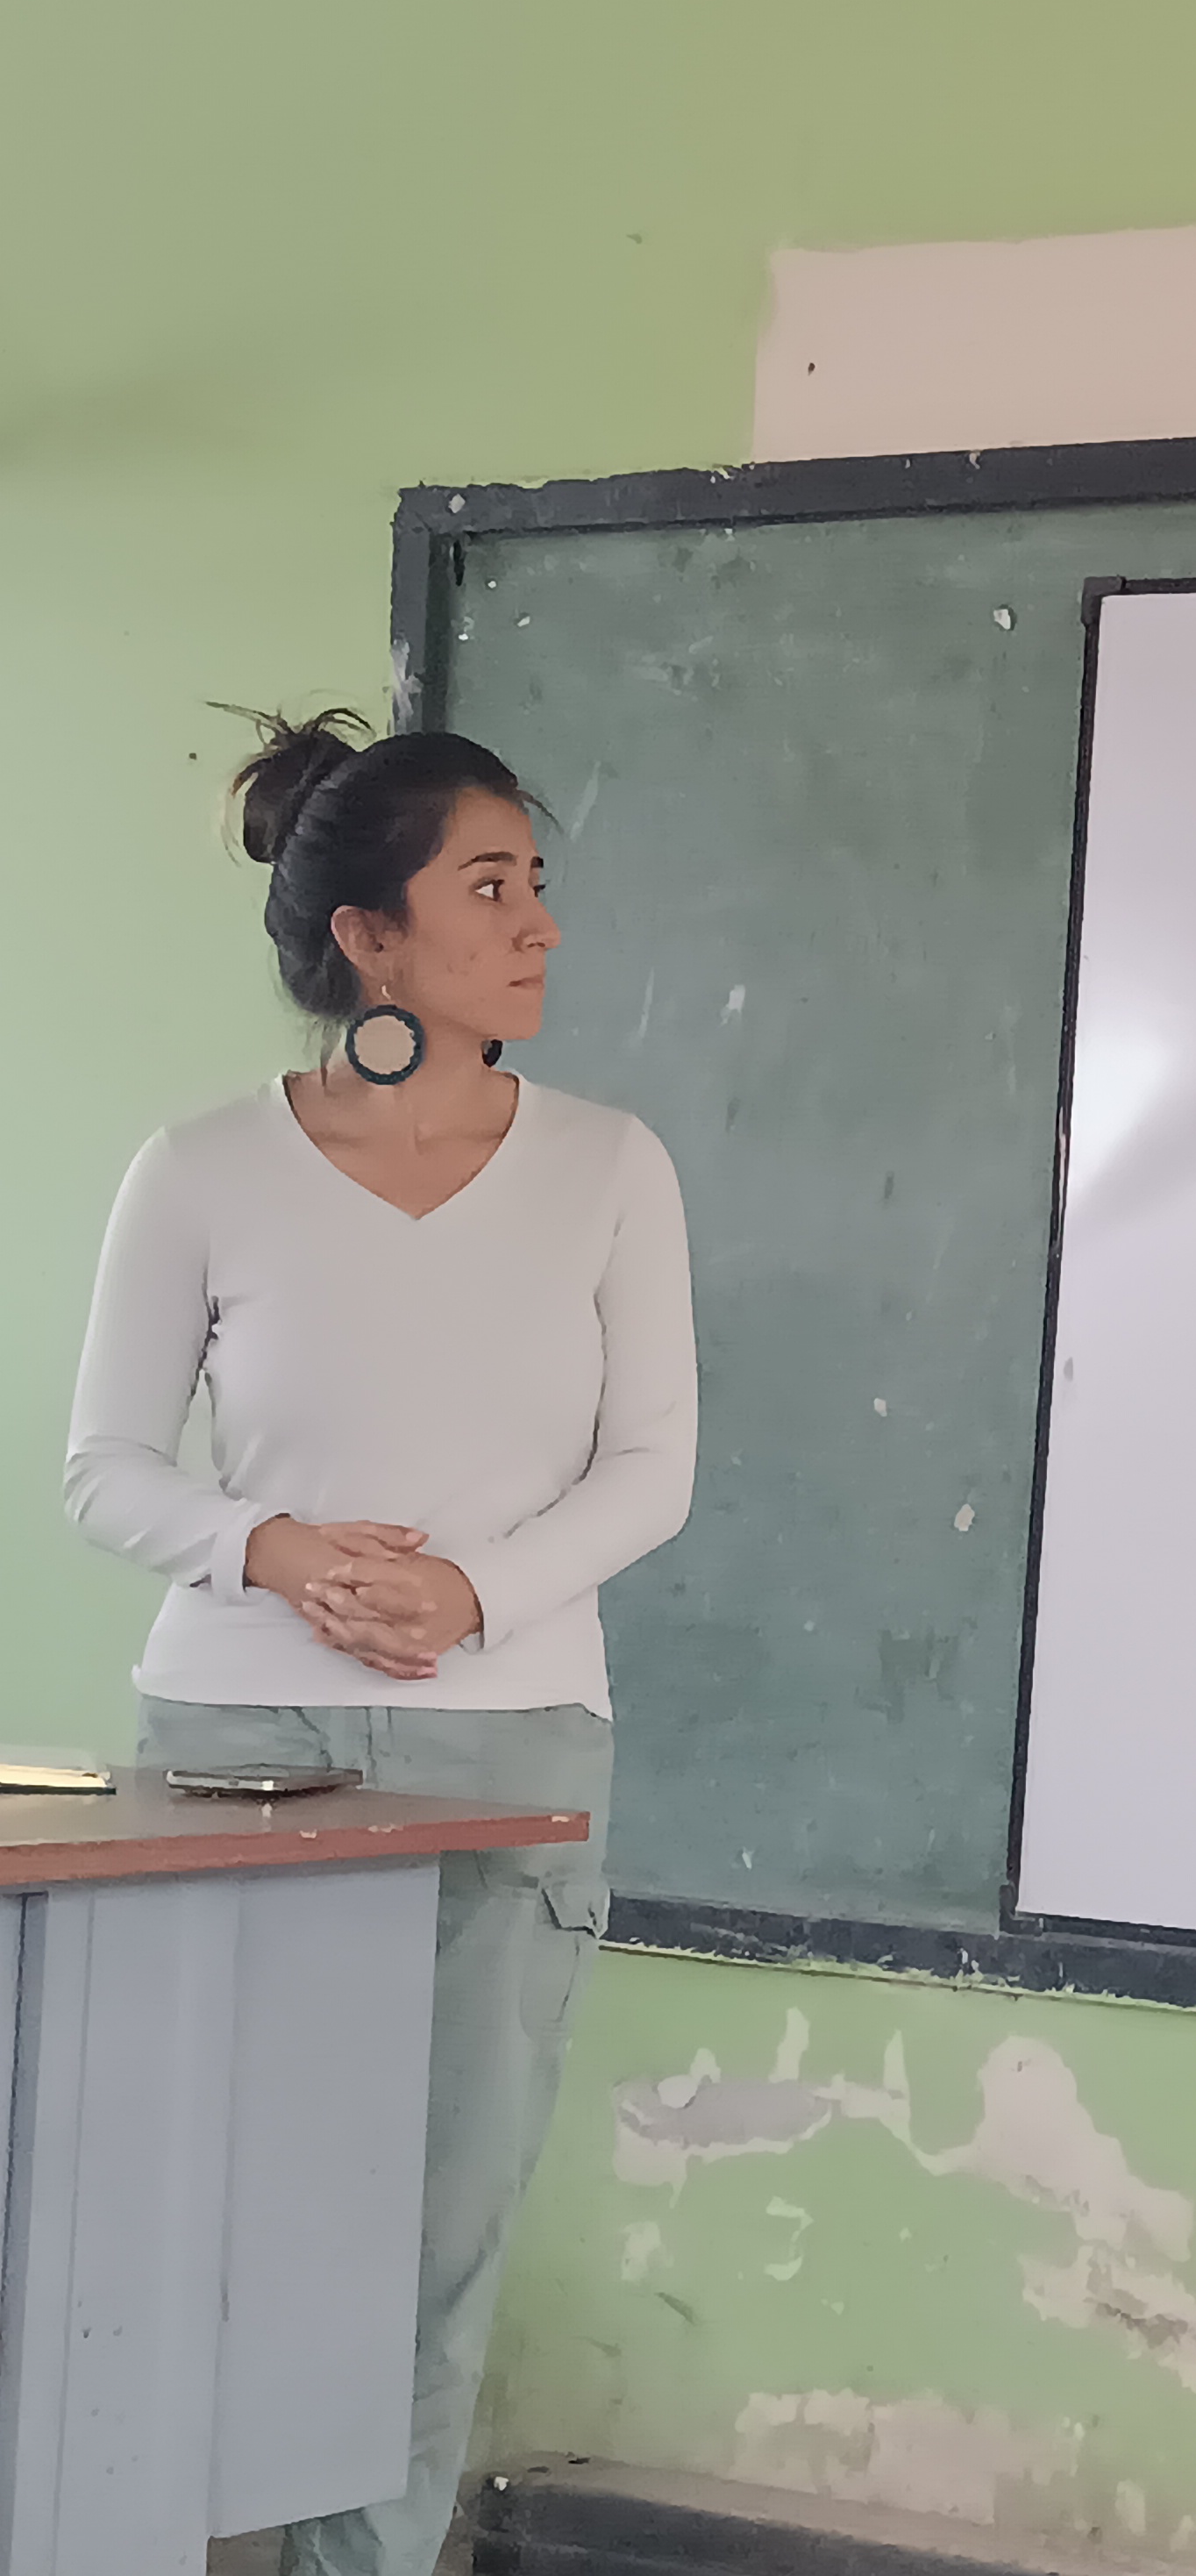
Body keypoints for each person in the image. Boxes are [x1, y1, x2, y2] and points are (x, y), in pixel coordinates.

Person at [63, 710, 695, 2576]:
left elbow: (653, 1469)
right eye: (489, 888)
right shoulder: (201, 1167)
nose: (540, 924)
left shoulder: (609, 1166)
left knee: (433, 2240)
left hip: (511, 1750)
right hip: (232, 1754)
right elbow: (105, 1469)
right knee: (203, 2220)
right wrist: (265, 1547)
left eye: (536, 884)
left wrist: (474, 1592)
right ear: (369, 936)